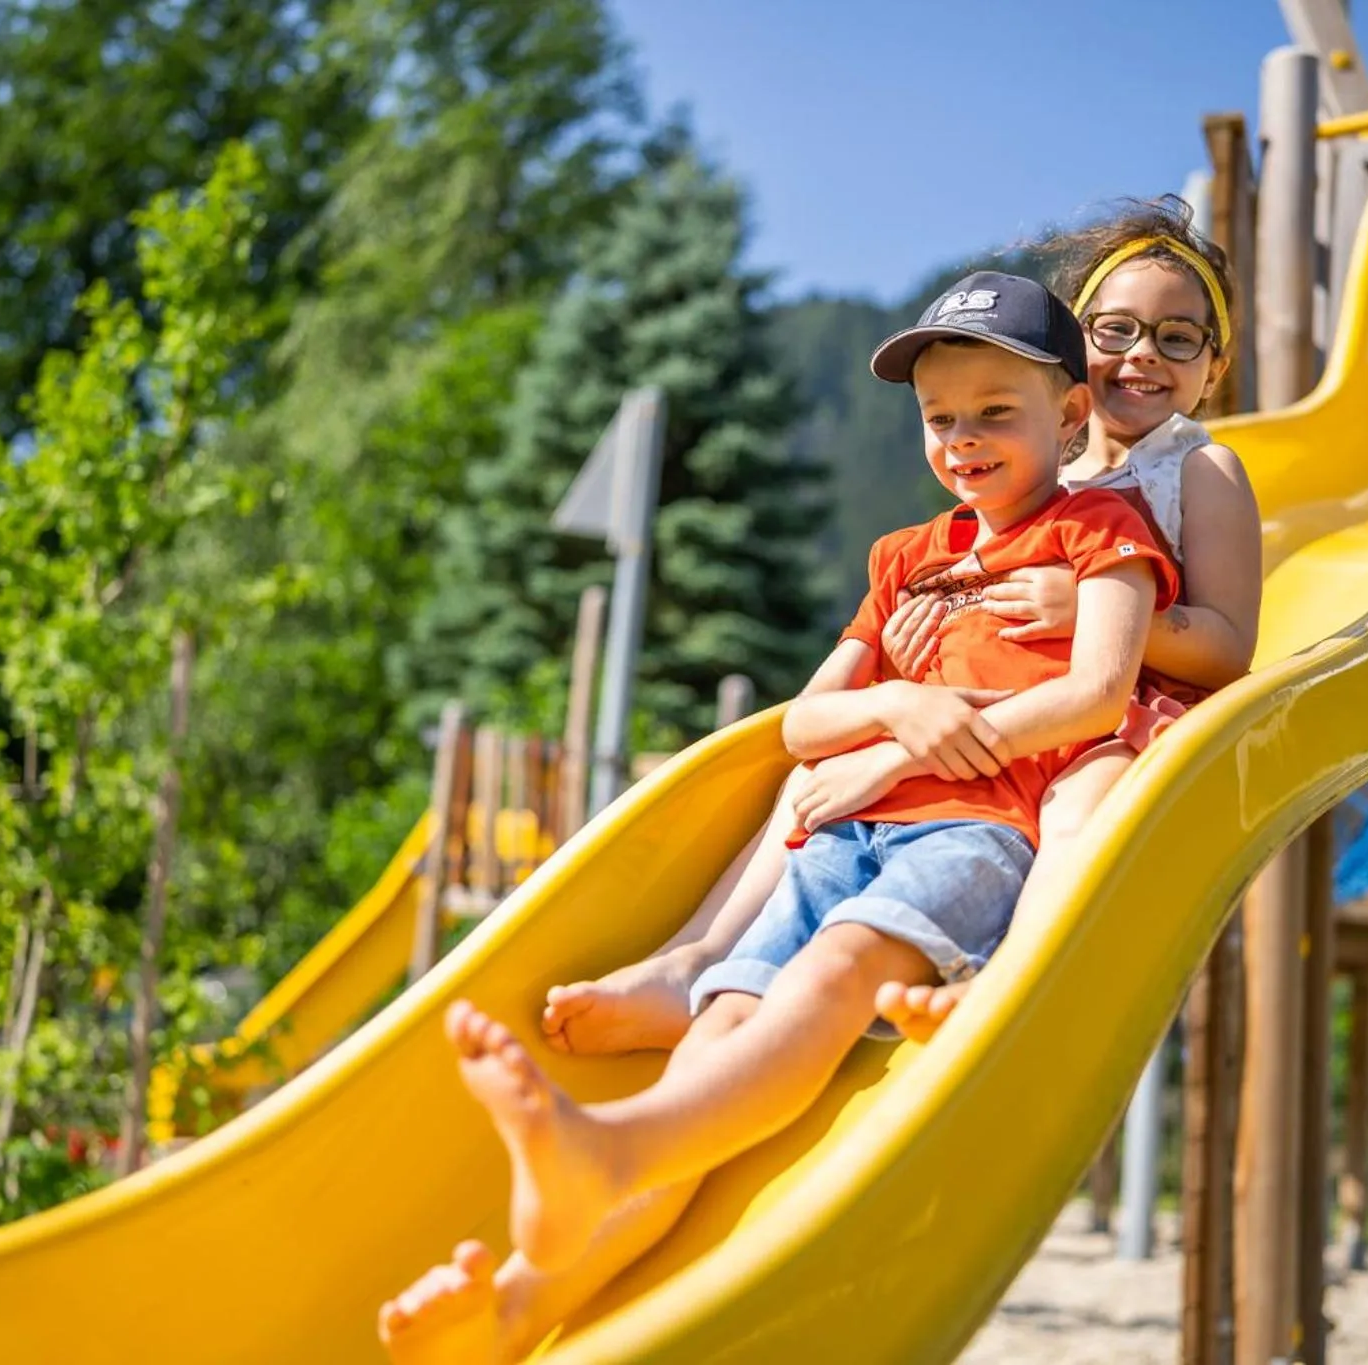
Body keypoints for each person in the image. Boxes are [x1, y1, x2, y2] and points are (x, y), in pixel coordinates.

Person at [377, 272, 1177, 1362]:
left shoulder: (1099, 529)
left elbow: (1095, 692)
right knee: (715, 1039)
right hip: (842, 833)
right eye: (941, 418)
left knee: (830, 973)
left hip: (973, 833)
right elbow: (803, 726)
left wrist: (909, 737)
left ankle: (606, 1155)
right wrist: (893, 698)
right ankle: (523, 1296)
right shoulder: (905, 559)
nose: (964, 439)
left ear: (1070, 415)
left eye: (997, 412)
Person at [541, 196, 1260, 1054]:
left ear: (1213, 367)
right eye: (1116, 330)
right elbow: (967, 567)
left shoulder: (1200, 468)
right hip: (998, 705)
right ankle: (703, 951)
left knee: (1076, 808)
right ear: (1078, 354)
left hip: (1109, 718)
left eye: (1178, 338)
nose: (1143, 354)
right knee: (808, 782)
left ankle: (1011, 976)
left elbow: (1227, 647)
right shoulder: (1042, 465)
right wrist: (917, 631)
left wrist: (1096, 614)